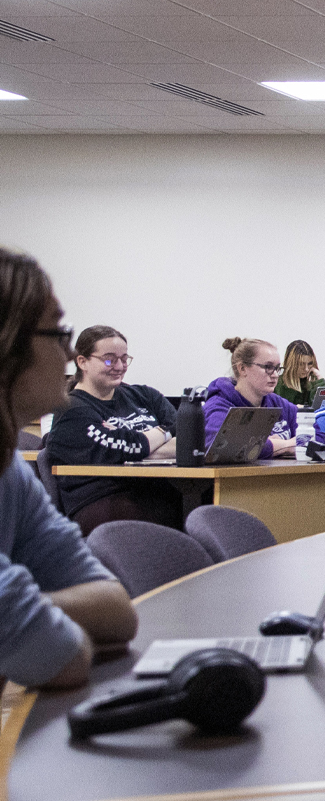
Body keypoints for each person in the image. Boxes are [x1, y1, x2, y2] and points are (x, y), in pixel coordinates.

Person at [0, 247, 140, 690]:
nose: (67, 354)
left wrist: (28, 609)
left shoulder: (9, 472)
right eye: (59, 332)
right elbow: (65, 660)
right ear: (7, 341)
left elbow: (118, 611)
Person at [48, 326, 180, 533]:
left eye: (124, 359)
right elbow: (136, 445)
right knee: (179, 513)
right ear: (82, 362)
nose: (119, 366)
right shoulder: (72, 411)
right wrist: (160, 435)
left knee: (208, 505)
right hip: (102, 500)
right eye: (109, 359)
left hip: (153, 489)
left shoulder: (144, 395)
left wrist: (140, 447)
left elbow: (186, 433)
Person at [201, 338, 298, 460]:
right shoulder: (218, 405)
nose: (275, 374)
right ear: (242, 368)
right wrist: (284, 445)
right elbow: (226, 446)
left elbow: (316, 434)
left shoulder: (277, 403)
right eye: (268, 367)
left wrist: (263, 445)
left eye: (277, 368)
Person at [274, 339, 325, 407]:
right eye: (301, 364)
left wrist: (320, 380)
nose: (306, 369)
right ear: (291, 364)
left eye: (310, 364)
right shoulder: (277, 384)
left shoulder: (312, 385)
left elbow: (322, 408)